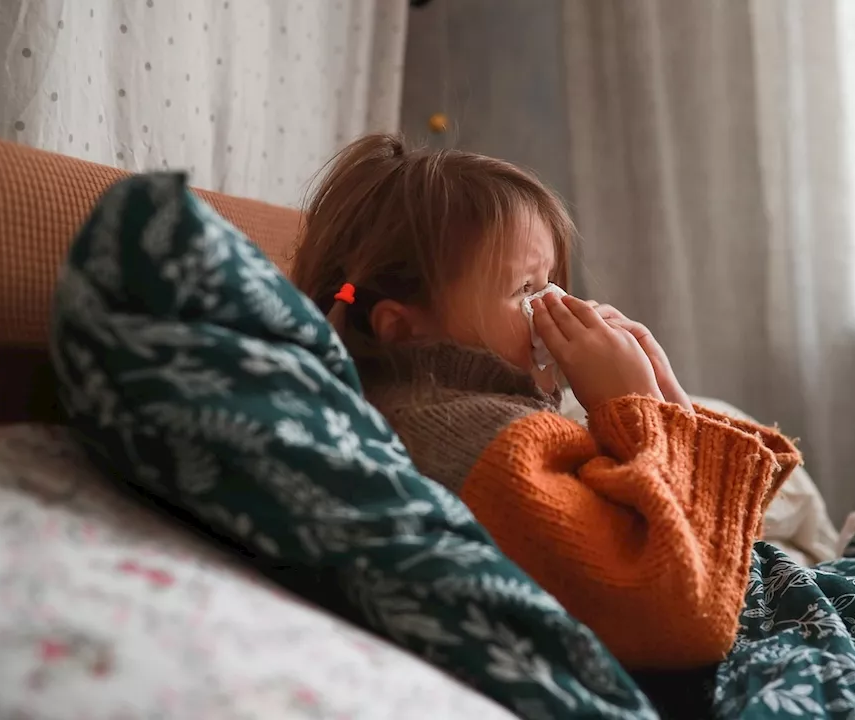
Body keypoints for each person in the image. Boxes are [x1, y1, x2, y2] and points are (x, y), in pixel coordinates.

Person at [289, 134, 802, 672]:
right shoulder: (479, 441)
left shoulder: (482, 410)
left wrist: (666, 401)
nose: (554, 305)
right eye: (523, 290)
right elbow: (685, 614)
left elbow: (718, 543)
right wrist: (637, 407)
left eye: (550, 282)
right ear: (401, 328)